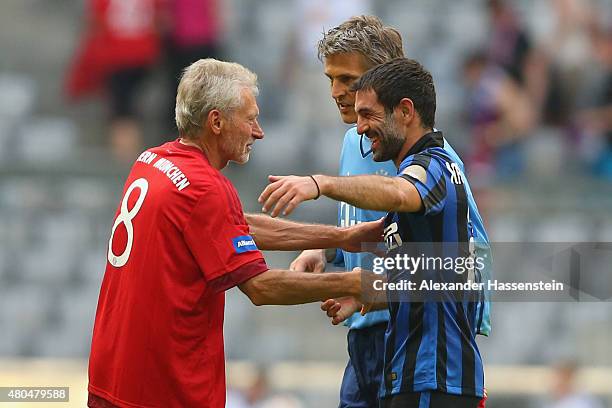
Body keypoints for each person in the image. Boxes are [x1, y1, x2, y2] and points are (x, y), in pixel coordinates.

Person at [87, 58, 382, 408]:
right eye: (251, 119)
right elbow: (260, 287)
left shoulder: (152, 161)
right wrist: (358, 282)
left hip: (111, 379)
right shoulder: (206, 187)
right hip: (162, 391)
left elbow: (232, 225)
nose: (258, 132)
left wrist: (341, 238)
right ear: (216, 121)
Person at [259, 58, 490, 408]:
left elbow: (398, 192)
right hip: (420, 375)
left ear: (406, 112)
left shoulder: (435, 166)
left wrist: (319, 184)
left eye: (369, 114)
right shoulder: (423, 184)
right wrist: (366, 293)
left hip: (433, 376)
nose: (361, 128)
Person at [288, 15, 402, 408]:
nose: (336, 91)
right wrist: (325, 251)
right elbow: (367, 233)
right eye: (331, 79)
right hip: (363, 337)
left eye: (348, 80)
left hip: (409, 337)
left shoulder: (418, 155)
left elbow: (458, 264)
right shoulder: (350, 142)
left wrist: (367, 290)